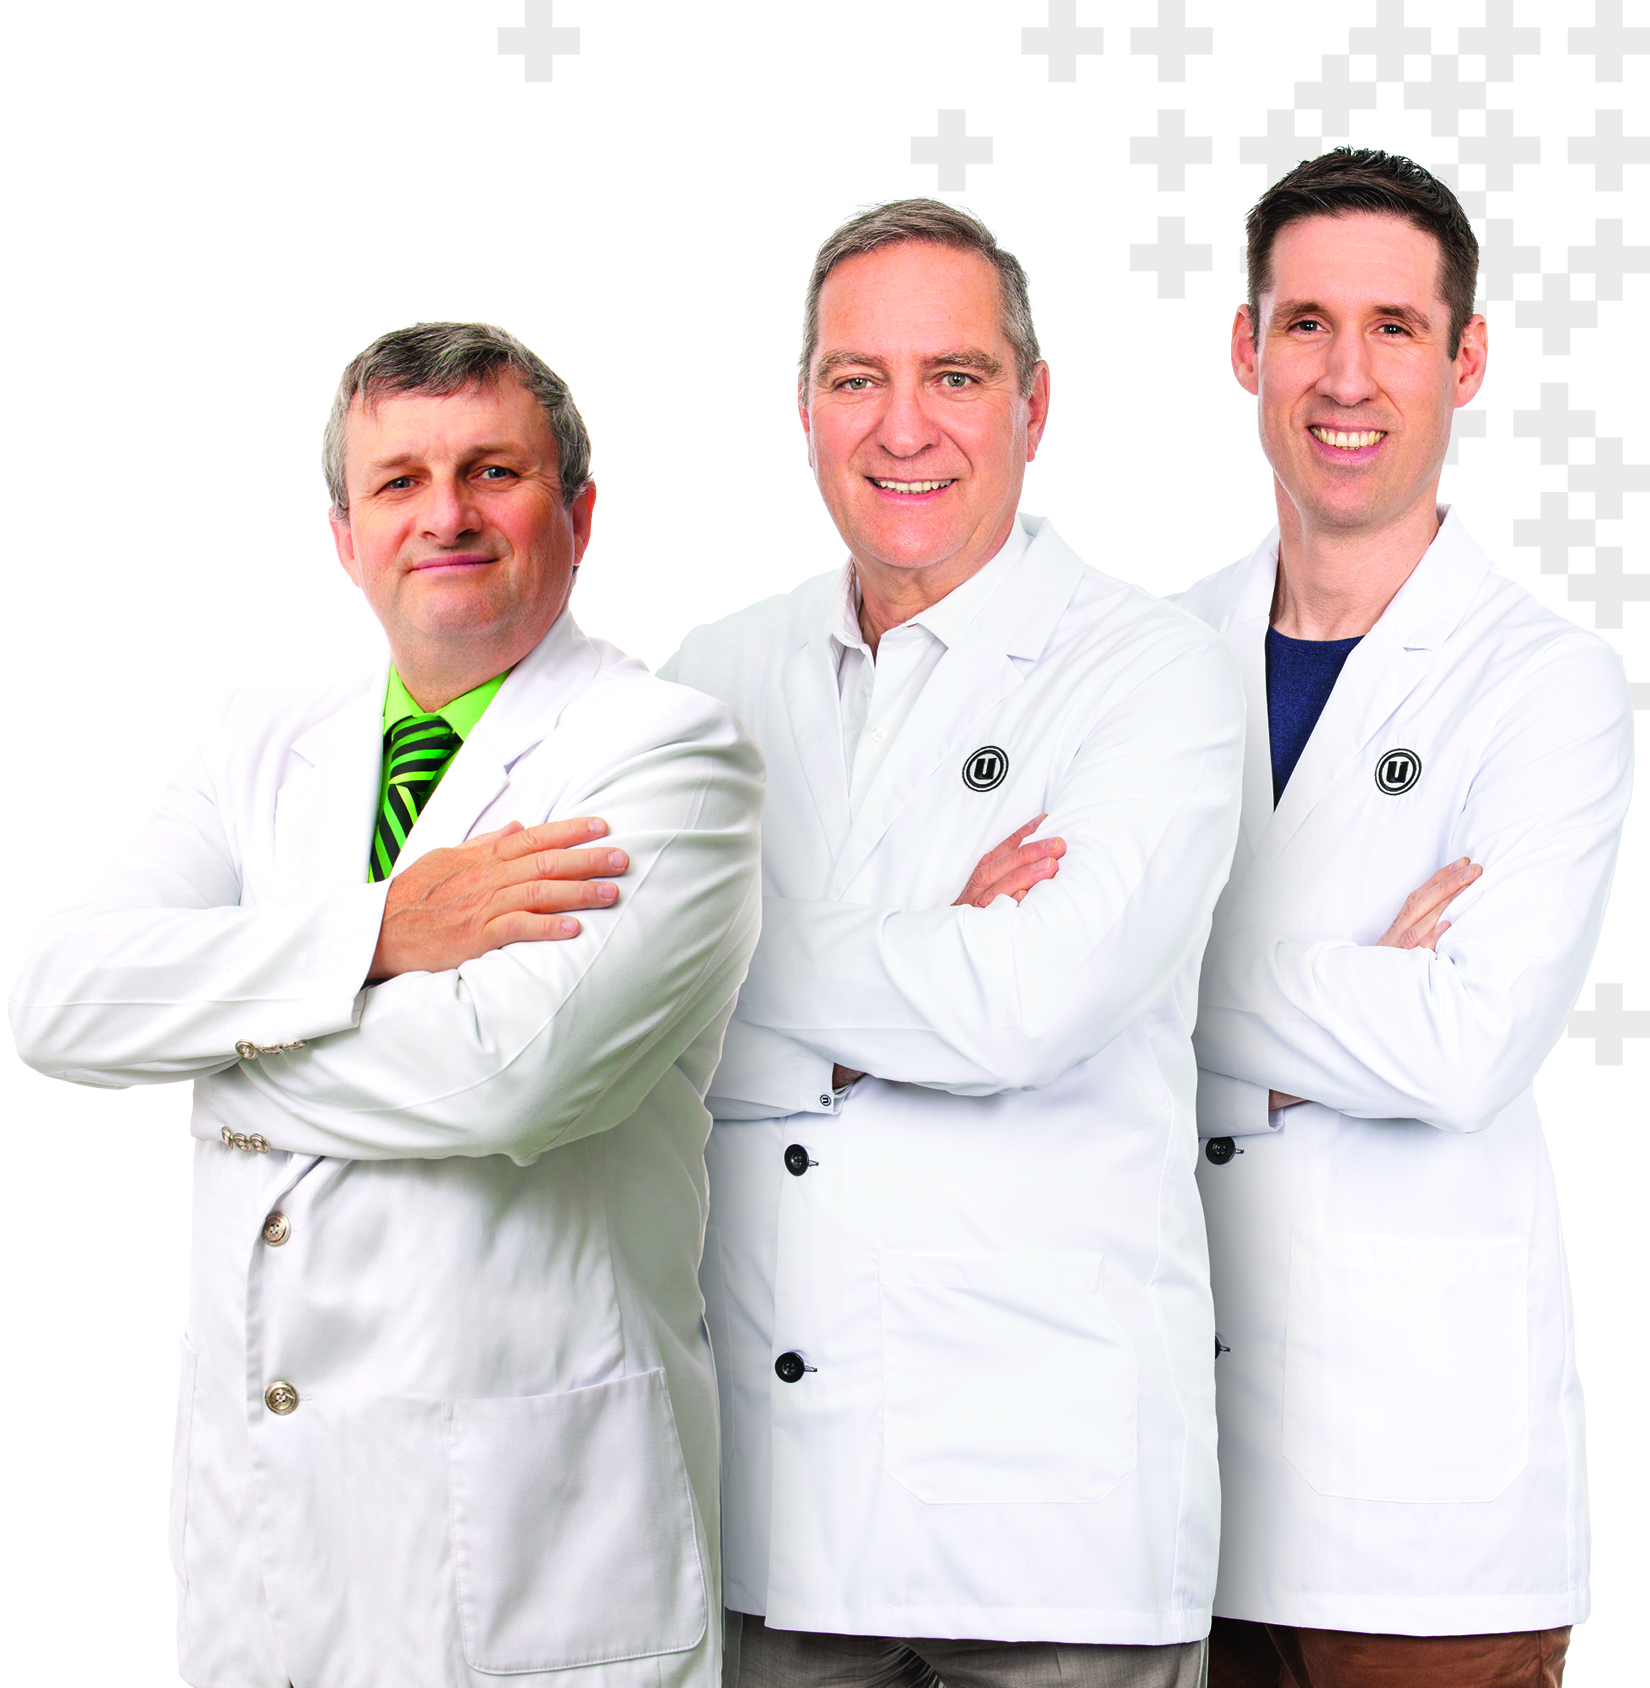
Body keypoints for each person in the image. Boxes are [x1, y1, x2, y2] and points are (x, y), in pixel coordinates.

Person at [9, 322, 765, 1688]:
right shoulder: (254, 740)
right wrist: (378, 934)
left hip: (532, 1540)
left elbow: (509, 1075)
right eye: (399, 481)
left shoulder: (666, 754)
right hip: (268, 1535)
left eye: (493, 471)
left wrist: (208, 1050)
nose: (446, 515)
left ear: (580, 514)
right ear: (345, 537)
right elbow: (60, 998)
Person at [661, 199, 1245, 1688]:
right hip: (770, 1526)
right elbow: (622, 1021)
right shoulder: (714, 675)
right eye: (856, 377)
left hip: (1053, 1533)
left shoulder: (1148, 669)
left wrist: (720, 955)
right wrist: (918, 953)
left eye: (956, 376)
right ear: (804, 409)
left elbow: (1019, 1007)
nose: (902, 426)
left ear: (1034, 407)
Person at [1179, 151, 1633, 1688]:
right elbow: (1027, 1018)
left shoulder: (1545, 684)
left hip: (1420, 1518)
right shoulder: (1147, 659)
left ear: (1466, 358)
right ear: (1245, 349)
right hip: (1159, 1496)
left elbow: (1459, 1045)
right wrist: (1334, 996)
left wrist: (1154, 972)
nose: (1343, 375)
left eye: (1393, 327)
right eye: (1304, 323)